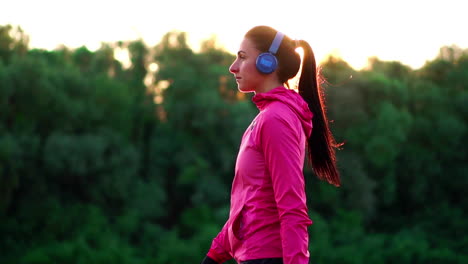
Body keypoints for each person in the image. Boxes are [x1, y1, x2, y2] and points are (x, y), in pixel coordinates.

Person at [201, 25, 341, 264]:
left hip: (267, 258)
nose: (232, 67)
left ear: (268, 62)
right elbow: (249, 205)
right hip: (255, 256)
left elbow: (292, 205)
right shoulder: (267, 118)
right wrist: (214, 255)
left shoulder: (276, 119)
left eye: (242, 57)